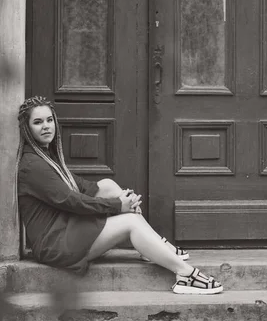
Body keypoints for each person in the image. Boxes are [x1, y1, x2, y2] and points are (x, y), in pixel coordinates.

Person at [15, 96, 223, 295]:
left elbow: (80, 187)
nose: (46, 126)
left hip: (65, 229)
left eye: (50, 120)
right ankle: (185, 274)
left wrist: (123, 199)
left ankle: (151, 246)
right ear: (27, 128)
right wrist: (117, 206)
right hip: (55, 243)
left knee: (107, 184)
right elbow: (71, 201)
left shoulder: (45, 155)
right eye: (38, 122)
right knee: (130, 222)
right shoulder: (33, 166)